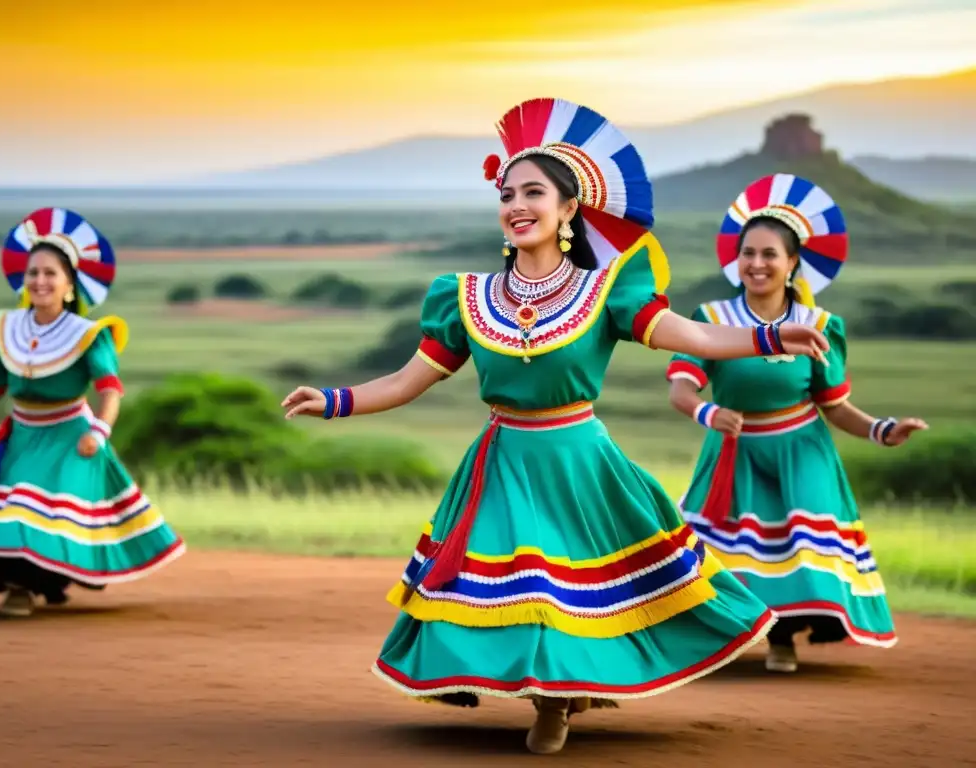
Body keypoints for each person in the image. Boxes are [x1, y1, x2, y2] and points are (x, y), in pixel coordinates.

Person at [281, 99, 830, 755]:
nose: (517, 204)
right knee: (530, 589)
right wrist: (337, 400)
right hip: (504, 464)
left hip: (580, 464)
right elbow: (406, 380)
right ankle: (548, 694)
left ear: (569, 208)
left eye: (534, 191)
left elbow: (691, 334)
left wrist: (770, 333)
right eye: (507, 192)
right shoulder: (465, 297)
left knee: (566, 591)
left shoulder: (608, 291)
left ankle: (556, 703)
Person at [665, 174, 928, 674]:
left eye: (769, 255)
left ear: (791, 264)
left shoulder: (821, 324)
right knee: (726, 553)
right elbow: (682, 390)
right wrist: (710, 413)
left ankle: (785, 637)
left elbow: (835, 406)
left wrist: (880, 429)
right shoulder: (712, 316)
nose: (757, 264)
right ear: (736, 259)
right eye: (748, 253)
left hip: (801, 448)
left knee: (801, 543)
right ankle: (727, 639)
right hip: (734, 450)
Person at [0, 207, 185, 617]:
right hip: (21, 439)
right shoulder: (6, 328)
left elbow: (110, 390)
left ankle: (25, 588)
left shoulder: (88, 335)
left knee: (24, 513)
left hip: (70, 440)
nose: (39, 281)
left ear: (69, 285)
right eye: (33, 273)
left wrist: (99, 431)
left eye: (50, 274)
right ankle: (24, 583)